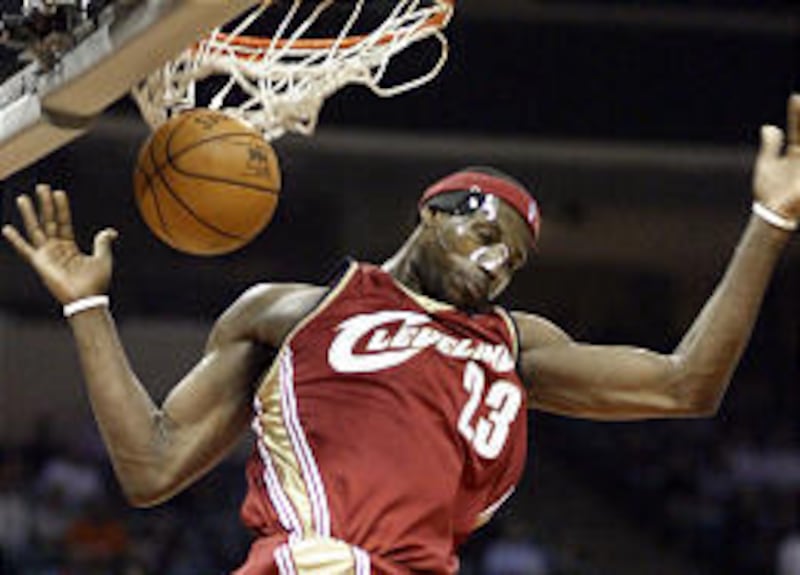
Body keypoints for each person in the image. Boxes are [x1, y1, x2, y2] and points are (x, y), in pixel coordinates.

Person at [3, 94, 800, 574]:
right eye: (486, 237)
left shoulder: (516, 342)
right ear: (431, 211)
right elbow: (151, 466)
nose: (496, 267)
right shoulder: (288, 310)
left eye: (515, 262)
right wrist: (86, 310)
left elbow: (684, 383)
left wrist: (770, 221)